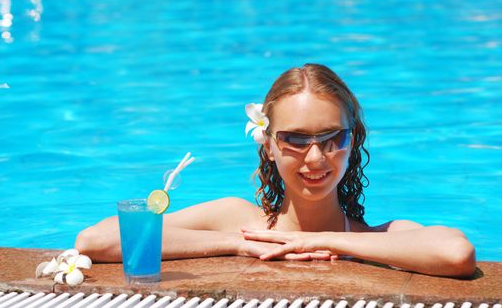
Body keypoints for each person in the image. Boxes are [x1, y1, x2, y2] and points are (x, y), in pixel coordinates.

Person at [75, 64, 476, 278]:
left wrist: (330, 243)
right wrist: (236, 244)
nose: (316, 157)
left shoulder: (379, 238)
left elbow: (456, 252)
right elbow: (96, 240)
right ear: (267, 145)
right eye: (295, 140)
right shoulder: (238, 222)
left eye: (332, 138)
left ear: (352, 142)